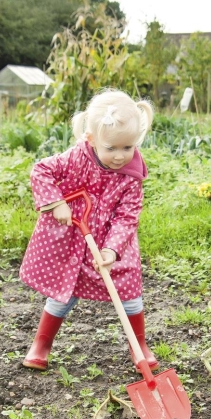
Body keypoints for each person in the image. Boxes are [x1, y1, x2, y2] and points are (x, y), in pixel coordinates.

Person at [19, 89, 156, 371]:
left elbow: (127, 216)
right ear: (92, 140)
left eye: (128, 148)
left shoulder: (132, 177)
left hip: (111, 244)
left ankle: (139, 345)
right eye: (112, 148)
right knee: (63, 294)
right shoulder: (74, 159)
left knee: (129, 293)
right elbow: (40, 171)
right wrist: (56, 203)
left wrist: (112, 249)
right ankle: (41, 345)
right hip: (73, 241)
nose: (120, 157)